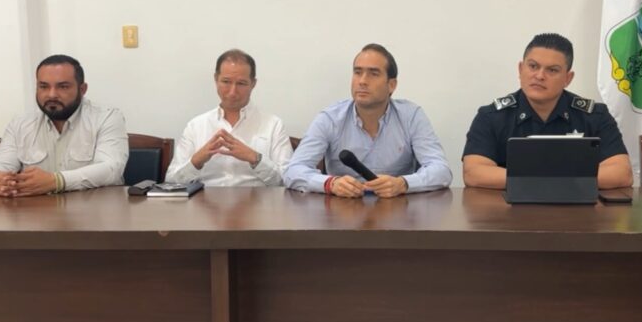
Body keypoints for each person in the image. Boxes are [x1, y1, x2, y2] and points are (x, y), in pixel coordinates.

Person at [462, 33, 632, 190]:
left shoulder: (594, 116)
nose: (540, 76)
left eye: (552, 70)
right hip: (510, 208)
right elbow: (473, 173)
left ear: (568, 78)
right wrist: (557, 180)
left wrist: (539, 180)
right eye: (533, 66)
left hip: (576, 209)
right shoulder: (491, 117)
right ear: (520, 69)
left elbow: (622, 173)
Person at [284, 43, 452, 197]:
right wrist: (330, 183)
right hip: (343, 211)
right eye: (357, 72)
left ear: (391, 85)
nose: (363, 81)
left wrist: (403, 183)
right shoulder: (330, 118)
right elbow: (293, 171)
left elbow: (441, 170)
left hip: (396, 209)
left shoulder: (411, 116)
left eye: (373, 74)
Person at [0, 55, 128, 196]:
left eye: (63, 87)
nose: (51, 94)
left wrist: (57, 181)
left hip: (96, 209)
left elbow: (111, 169)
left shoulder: (107, 117)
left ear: (82, 89)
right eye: (43, 86)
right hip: (38, 211)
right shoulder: (21, 123)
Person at [166, 49, 292, 186]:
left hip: (255, 198)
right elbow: (171, 181)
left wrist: (255, 159)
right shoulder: (196, 126)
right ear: (216, 79)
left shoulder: (274, 125)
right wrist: (196, 161)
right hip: (206, 198)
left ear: (253, 84)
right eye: (226, 81)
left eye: (241, 83)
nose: (232, 92)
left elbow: (287, 180)